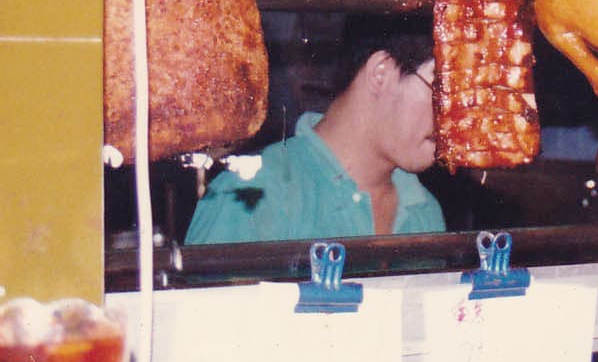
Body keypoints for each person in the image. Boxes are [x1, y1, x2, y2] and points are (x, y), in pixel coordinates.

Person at [184, 19, 445, 244]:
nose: (452, 114)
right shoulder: (254, 196)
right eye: (442, 89)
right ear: (381, 74)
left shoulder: (424, 212)